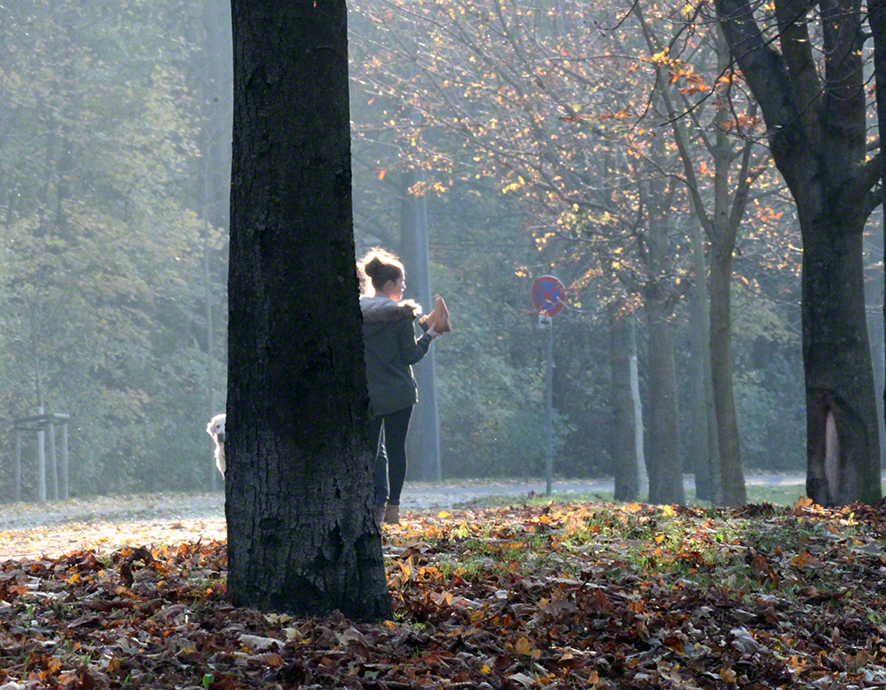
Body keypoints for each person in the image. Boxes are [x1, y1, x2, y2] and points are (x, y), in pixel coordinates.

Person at [358, 248, 441, 525]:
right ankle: (392, 508)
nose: (404, 287)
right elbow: (410, 356)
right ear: (390, 284)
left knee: (369, 451)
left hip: (368, 395)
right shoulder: (400, 315)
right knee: (396, 450)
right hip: (399, 394)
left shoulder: (355, 313)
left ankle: (368, 504)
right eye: (401, 282)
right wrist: (429, 334)